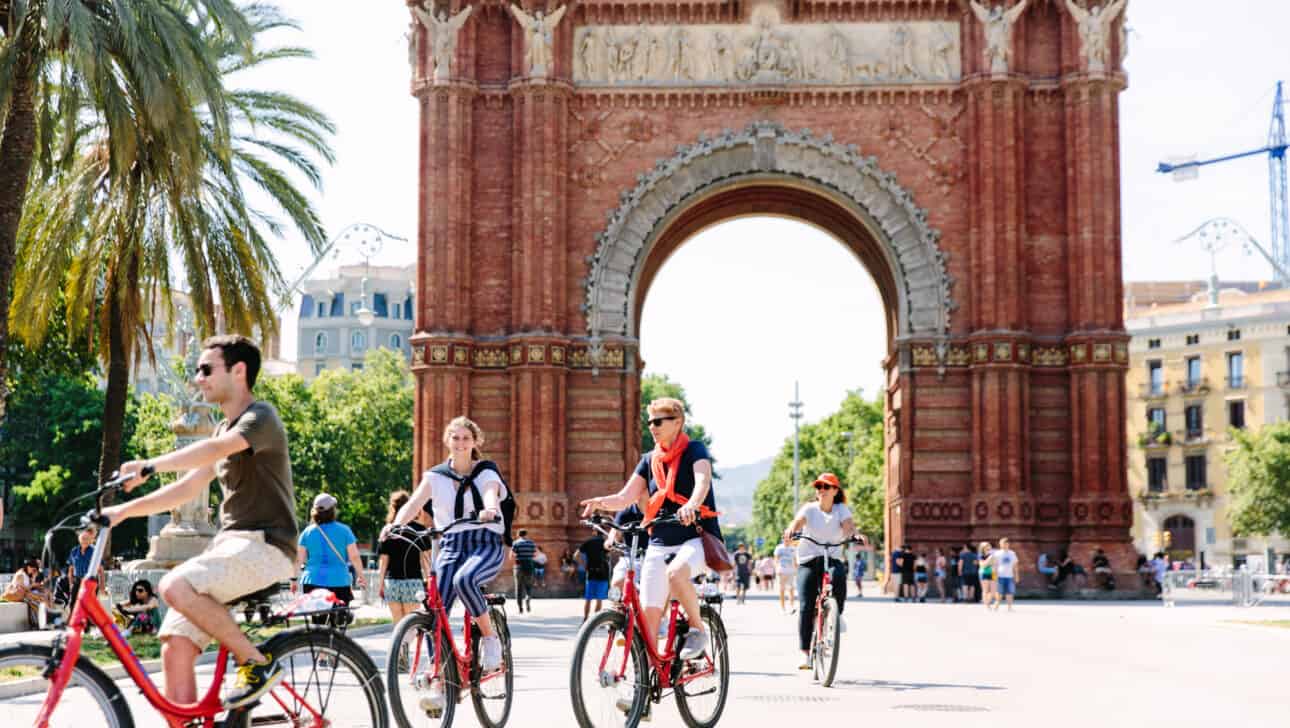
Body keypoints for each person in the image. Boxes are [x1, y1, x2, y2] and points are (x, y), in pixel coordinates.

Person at [106, 335, 298, 709]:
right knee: (175, 647)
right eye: (197, 371)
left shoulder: (261, 418)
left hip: (268, 546)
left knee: (174, 585)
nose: (198, 379)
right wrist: (123, 511)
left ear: (238, 371)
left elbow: (215, 451)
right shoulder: (220, 430)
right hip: (231, 545)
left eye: (206, 369)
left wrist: (150, 465)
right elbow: (186, 488)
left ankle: (257, 663)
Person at [579, 396, 720, 663]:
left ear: (677, 422)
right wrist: (601, 502)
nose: (652, 427)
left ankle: (697, 629)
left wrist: (692, 504)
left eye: (658, 421)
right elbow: (625, 498)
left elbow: (702, 480)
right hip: (660, 540)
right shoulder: (648, 460)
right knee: (648, 618)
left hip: (696, 537)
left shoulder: (695, 450)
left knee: (676, 573)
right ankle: (642, 687)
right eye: (649, 422)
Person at [392, 415, 511, 713]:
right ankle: (441, 681)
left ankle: (490, 638)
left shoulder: (486, 471)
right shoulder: (435, 476)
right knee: (435, 609)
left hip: (484, 543)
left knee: (464, 580)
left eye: (466, 438)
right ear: (447, 440)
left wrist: (490, 509)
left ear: (475, 442)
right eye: (455, 438)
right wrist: (394, 525)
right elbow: (414, 503)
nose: (460, 443)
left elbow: (490, 493)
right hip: (451, 545)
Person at [783, 473, 857, 670]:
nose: (821, 490)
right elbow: (797, 522)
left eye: (826, 487)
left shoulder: (841, 509)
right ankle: (805, 654)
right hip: (808, 559)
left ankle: (835, 614)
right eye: (819, 487)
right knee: (806, 605)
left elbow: (848, 527)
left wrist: (854, 535)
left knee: (839, 576)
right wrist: (791, 531)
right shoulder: (810, 509)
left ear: (835, 491)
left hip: (831, 557)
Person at [295, 493, 366, 626]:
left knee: (317, 623)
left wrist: (293, 579)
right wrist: (361, 576)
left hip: (312, 580)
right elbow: (354, 556)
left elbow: (299, 560)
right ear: (333, 510)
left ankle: (319, 644)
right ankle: (333, 643)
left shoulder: (307, 532)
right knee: (337, 623)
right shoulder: (345, 531)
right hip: (339, 581)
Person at [377, 490, 432, 625]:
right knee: (410, 625)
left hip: (392, 582)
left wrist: (380, 585)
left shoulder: (388, 531)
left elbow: (383, 562)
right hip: (413, 582)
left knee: (397, 624)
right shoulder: (420, 530)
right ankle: (406, 646)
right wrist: (430, 584)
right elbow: (426, 562)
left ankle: (400, 646)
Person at [2, 559, 51, 630]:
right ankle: (44, 622)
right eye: (33, 570)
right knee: (39, 600)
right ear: (28, 567)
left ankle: (43, 621)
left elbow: (29, 588)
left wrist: (35, 580)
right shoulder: (20, 574)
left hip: (24, 595)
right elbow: (22, 589)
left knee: (43, 596)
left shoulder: (27, 575)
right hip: (17, 595)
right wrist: (33, 587)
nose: (33, 572)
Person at [65, 527, 101, 617]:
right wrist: (70, 583)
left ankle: (87, 625)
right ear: (79, 540)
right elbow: (70, 569)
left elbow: (100, 570)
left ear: (90, 540)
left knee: (89, 604)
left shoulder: (94, 551)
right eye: (83, 539)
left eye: (87, 539)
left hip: (90, 580)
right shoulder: (74, 551)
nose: (85, 541)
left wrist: (102, 586)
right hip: (77, 580)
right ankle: (74, 622)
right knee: (72, 602)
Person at [579, 530, 611, 620]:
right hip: (603, 573)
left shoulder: (588, 542)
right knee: (599, 599)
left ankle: (585, 619)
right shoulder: (606, 543)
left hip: (591, 572)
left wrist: (584, 565)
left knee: (588, 598)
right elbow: (610, 553)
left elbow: (576, 555)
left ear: (594, 532)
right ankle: (595, 621)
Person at [510, 529, 538, 613]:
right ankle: (528, 597)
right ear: (526, 535)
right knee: (528, 586)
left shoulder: (516, 543)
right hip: (529, 566)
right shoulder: (531, 543)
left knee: (518, 588)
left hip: (519, 566)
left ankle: (520, 608)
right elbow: (535, 554)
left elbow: (512, 556)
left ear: (518, 535)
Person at [993, 537, 1019, 611]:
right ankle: (996, 605)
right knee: (999, 592)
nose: (1004, 545)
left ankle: (1010, 607)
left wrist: (1016, 576)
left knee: (1010, 592)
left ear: (1008, 544)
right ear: (1000, 544)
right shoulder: (997, 553)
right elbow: (994, 565)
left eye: (1006, 543)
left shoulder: (1012, 553)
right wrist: (994, 576)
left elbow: (1015, 565)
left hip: (1010, 576)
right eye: (1002, 544)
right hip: (1000, 576)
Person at [774, 537, 798, 612]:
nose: (787, 540)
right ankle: (782, 607)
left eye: (788, 538)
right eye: (785, 538)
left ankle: (791, 606)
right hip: (782, 570)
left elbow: (795, 560)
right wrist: (776, 569)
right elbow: (776, 559)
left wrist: (796, 570)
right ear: (783, 539)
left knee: (791, 589)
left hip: (791, 570)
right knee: (782, 589)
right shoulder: (779, 548)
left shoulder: (793, 548)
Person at [979, 541, 996, 609]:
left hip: (992, 574)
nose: (988, 547)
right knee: (985, 590)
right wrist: (989, 560)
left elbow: (995, 565)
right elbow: (982, 565)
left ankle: (988, 602)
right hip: (984, 573)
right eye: (986, 546)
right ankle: (987, 605)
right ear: (983, 548)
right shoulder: (981, 556)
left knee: (993, 591)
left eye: (989, 546)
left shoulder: (992, 555)